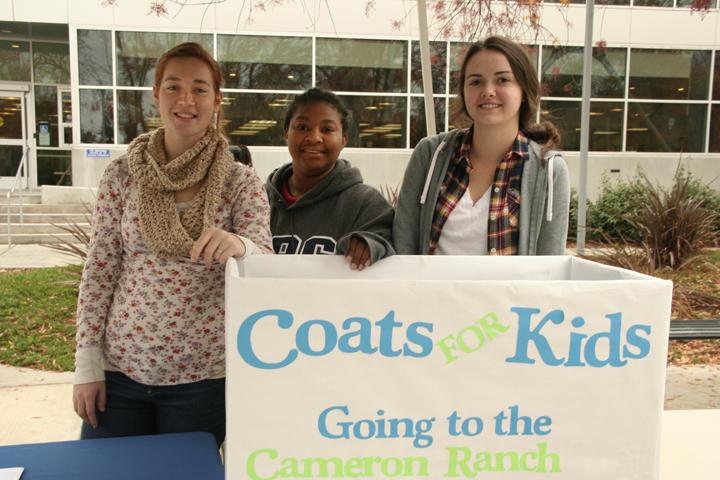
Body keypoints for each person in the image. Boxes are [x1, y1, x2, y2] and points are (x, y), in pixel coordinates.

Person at [72, 42, 273, 447]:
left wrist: (238, 244)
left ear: (217, 100)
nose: (186, 100)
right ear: (156, 95)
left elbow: (265, 261)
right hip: (120, 374)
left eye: (200, 89)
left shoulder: (239, 182)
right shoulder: (123, 175)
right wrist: (87, 364)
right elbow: (100, 269)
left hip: (203, 379)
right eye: (173, 87)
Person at [393, 36, 569, 256]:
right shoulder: (431, 154)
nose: (488, 91)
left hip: (508, 292)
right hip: (431, 290)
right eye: (476, 81)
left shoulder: (549, 169)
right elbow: (403, 244)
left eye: (502, 80)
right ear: (464, 92)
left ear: (523, 90)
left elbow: (549, 267)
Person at [266, 87, 394, 270]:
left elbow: (389, 242)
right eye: (302, 127)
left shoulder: (366, 203)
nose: (314, 137)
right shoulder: (258, 199)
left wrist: (371, 244)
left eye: (327, 129)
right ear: (287, 132)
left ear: (343, 139)